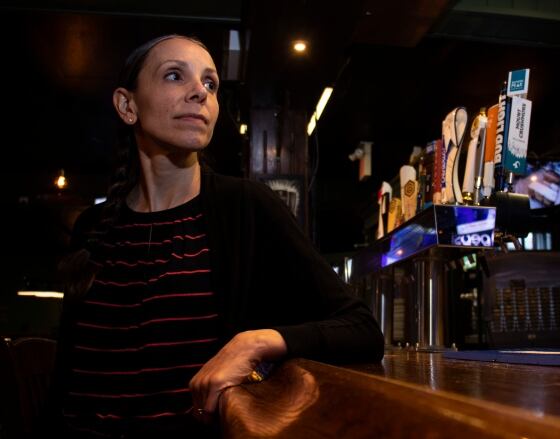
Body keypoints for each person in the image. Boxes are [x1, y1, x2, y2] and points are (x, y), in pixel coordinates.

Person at [50, 34, 384, 437]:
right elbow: (65, 384)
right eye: (175, 76)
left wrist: (257, 342)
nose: (199, 93)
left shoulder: (245, 205)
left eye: (210, 84)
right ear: (127, 105)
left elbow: (362, 328)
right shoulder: (92, 227)